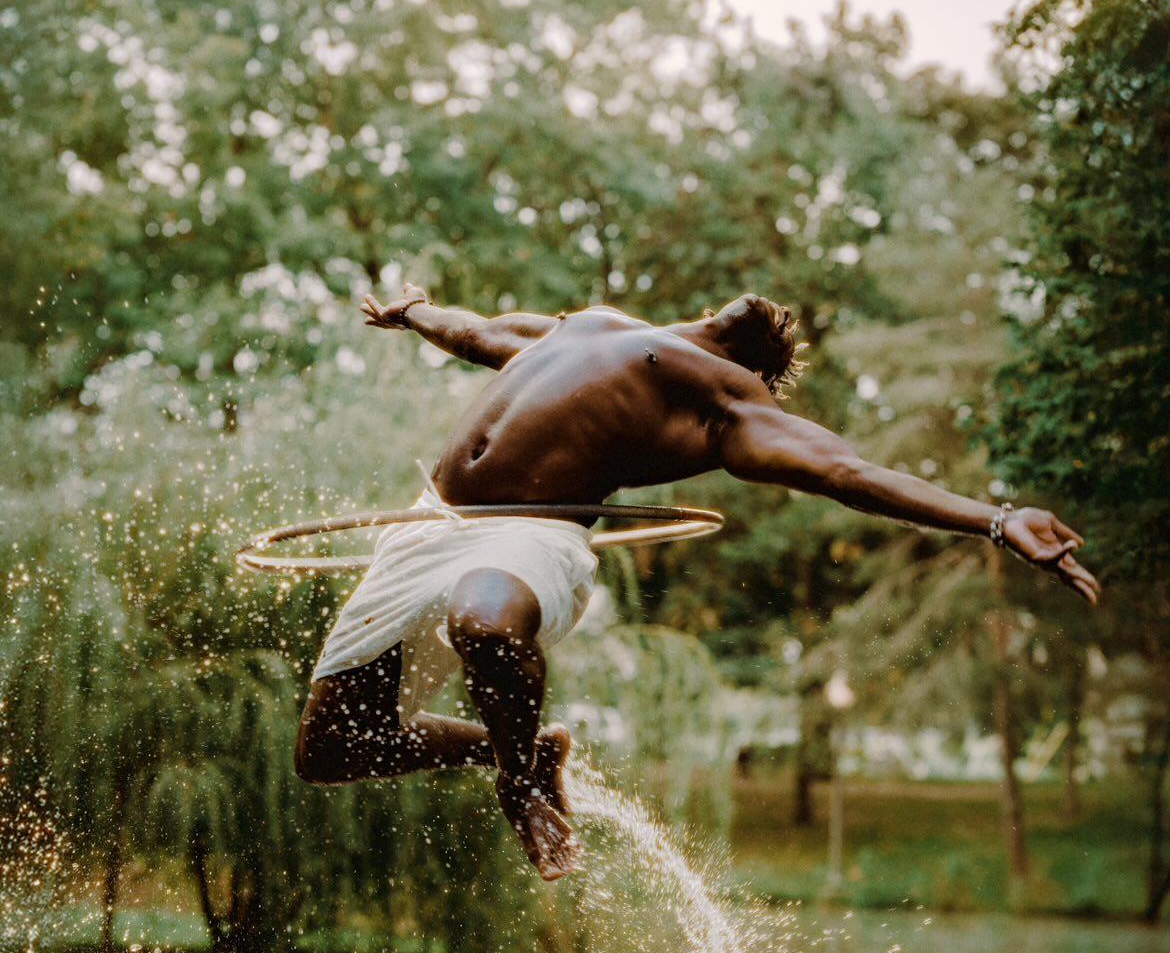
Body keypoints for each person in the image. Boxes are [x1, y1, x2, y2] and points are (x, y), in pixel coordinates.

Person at [295, 283, 1100, 880]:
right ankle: (531, 753)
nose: (763, 303)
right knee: (328, 748)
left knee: (483, 623)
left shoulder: (723, 403)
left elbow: (848, 471)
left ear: (748, 362)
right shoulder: (598, 327)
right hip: (426, 523)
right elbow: (482, 332)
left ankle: (521, 788)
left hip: (529, 537)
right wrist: (415, 314)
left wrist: (994, 521)